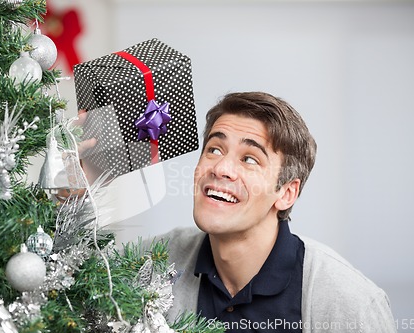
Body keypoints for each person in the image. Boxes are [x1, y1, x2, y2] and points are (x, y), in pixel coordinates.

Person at [154, 92, 396, 332]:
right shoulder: (151, 261)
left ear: (286, 193)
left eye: (249, 159)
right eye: (215, 149)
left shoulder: (350, 305)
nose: (221, 168)